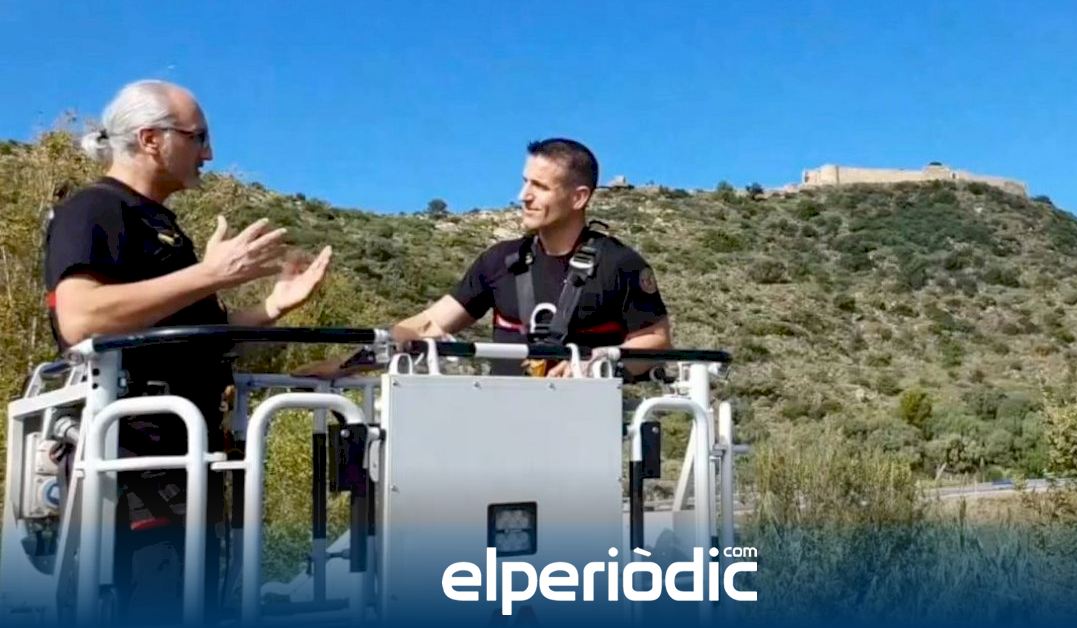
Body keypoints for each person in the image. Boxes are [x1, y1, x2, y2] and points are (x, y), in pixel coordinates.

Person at [43, 79, 331, 621]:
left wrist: (273, 305)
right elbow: (80, 318)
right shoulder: (95, 209)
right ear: (151, 139)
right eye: (199, 137)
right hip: (137, 464)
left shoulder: (159, 223)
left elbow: (196, 333)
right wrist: (208, 275)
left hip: (186, 455)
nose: (209, 153)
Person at [302, 138, 669, 378]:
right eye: (525, 182)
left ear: (579, 197)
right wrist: (341, 366)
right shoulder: (499, 261)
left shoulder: (620, 264)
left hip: (585, 433)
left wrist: (591, 366)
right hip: (498, 426)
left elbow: (655, 342)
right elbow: (427, 326)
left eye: (540, 186)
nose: (523, 195)